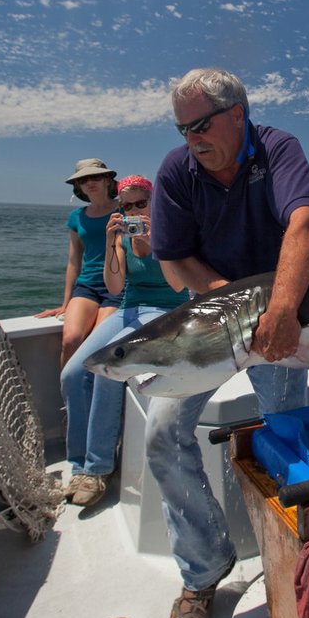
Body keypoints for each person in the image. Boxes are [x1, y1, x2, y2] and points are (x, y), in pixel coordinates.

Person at [149, 67, 309, 618]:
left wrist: (278, 311)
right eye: (182, 129)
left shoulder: (278, 149)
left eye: (199, 124)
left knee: (287, 438)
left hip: (280, 318)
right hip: (213, 320)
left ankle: (299, 559)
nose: (191, 139)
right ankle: (204, 569)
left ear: (237, 113)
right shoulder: (177, 171)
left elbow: (305, 224)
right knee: (161, 433)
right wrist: (227, 298)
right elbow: (173, 258)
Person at [58, 175, 185, 507]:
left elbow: (176, 287)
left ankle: (98, 468)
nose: (133, 211)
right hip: (129, 307)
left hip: (165, 310)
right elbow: (114, 289)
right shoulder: (122, 236)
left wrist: (156, 241)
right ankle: (78, 461)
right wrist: (114, 241)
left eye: (140, 203)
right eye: (126, 205)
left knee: (107, 369)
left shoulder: (173, 230)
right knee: (72, 373)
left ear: (154, 202)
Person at [36, 158, 123, 369]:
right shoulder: (77, 217)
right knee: (71, 340)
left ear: (107, 180)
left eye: (95, 176)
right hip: (87, 287)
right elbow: (74, 261)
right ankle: (68, 396)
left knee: (96, 345)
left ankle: (91, 394)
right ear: (78, 186)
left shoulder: (126, 210)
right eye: (83, 179)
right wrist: (66, 302)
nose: (89, 182)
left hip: (119, 287)